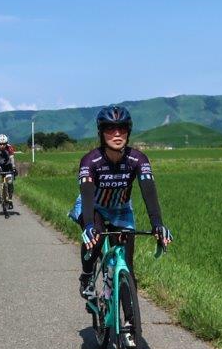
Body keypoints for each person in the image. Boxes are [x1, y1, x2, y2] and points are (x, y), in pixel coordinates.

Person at [68, 105, 173, 303]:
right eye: (110, 128)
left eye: (122, 128)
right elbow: (88, 195)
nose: (117, 134)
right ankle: (87, 276)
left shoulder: (138, 159)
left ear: (129, 131)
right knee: (95, 239)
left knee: (127, 267)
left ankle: (129, 326)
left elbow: (149, 191)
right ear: (101, 133)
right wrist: (89, 225)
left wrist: (158, 224)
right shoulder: (90, 160)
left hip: (121, 210)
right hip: (94, 208)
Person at [0, 134, 17, 208]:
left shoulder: (9, 148)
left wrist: (14, 168)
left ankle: (10, 199)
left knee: (9, 182)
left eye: (4, 144)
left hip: (8, 165)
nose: (2, 146)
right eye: (0, 144)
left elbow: (12, 159)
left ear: (6, 143)